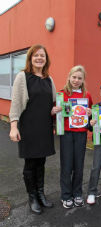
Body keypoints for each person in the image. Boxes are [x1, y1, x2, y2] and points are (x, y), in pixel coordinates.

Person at [9, 44, 58, 214]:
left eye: (42, 56)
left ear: (46, 59)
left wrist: (56, 111)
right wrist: (13, 126)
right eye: (36, 55)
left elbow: (52, 104)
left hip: (44, 127)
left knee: (41, 162)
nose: (39, 58)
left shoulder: (48, 79)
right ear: (30, 58)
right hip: (28, 127)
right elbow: (15, 104)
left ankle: (40, 193)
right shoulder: (23, 77)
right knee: (30, 163)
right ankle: (32, 197)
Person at [58, 65, 93, 209]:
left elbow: (90, 115)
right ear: (69, 77)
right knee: (67, 165)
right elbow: (57, 115)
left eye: (79, 78)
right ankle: (66, 195)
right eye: (74, 77)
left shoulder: (87, 95)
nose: (76, 80)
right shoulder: (62, 94)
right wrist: (55, 110)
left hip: (81, 133)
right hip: (66, 133)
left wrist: (91, 113)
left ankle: (77, 193)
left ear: (83, 79)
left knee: (79, 165)